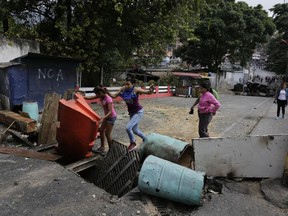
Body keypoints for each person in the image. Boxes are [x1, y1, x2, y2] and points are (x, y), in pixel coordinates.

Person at [105, 76, 155, 151]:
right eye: (125, 84)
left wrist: (152, 89)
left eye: (128, 84)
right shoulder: (123, 89)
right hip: (131, 113)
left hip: (138, 112)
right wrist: (107, 92)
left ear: (133, 84)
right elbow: (114, 96)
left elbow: (148, 92)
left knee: (128, 128)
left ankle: (133, 142)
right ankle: (146, 139)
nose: (127, 86)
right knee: (135, 130)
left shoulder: (136, 89)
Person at [84, 86, 117, 153]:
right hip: (106, 116)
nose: (97, 96)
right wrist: (81, 96)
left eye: (97, 94)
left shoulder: (108, 99)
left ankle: (111, 150)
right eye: (96, 94)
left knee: (107, 134)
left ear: (101, 92)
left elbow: (110, 112)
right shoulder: (100, 96)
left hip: (111, 117)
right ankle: (102, 147)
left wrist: (102, 119)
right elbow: (90, 98)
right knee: (101, 131)